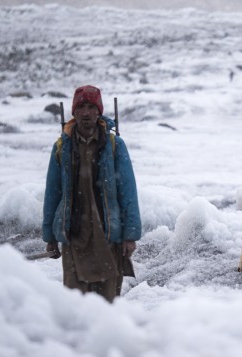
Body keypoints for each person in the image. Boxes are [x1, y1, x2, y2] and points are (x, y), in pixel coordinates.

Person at [42, 85, 142, 302]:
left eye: (90, 107)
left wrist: (130, 235)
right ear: (73, 111)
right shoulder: (62, 147)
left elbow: (128, 192)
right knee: (76, 304)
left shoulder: (115, 145)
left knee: (108, 303)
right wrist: (50, 236)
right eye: (81, 107)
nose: (85, 113)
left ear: (99, 111)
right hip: (74, 237)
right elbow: (53, 192)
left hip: (108, 237)